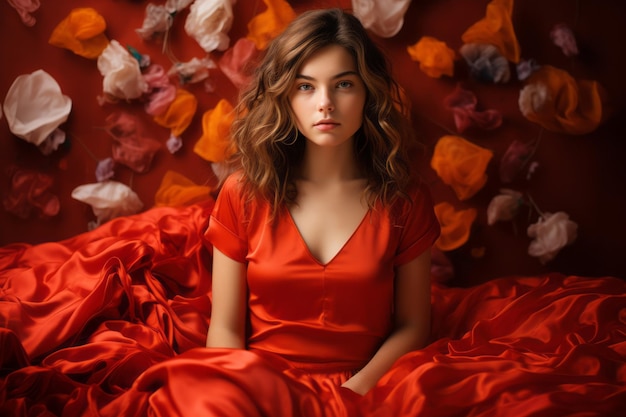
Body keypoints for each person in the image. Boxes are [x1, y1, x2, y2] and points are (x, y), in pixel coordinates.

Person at [205, 6, 440, 401]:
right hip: (257, 386)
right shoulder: (242, 193)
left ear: (368, 93)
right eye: (305, 86)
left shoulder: (404, 199)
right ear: (284, 96)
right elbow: (225, 328)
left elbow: (414, 325)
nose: (325, 103)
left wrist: (352, 394)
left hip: (367, 388)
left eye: (344, 85)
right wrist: (245, 396)